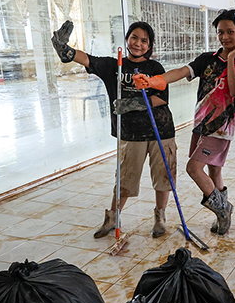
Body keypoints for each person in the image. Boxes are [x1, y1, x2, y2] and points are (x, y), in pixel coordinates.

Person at [132, 9, 235, 235]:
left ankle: (223, 210)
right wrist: (154, 81)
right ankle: (223, 213)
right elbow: (182, 71)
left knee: (193, 168)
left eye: (230, 32)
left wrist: (230, 60)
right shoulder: (207, 59)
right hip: (201, 125)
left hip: (220, 128)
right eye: (220, 32)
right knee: (214, 171)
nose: (225, 37)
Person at [51, 20, 176, 239]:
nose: (138, 43)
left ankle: (160, 217)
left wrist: (134, 104)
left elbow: (162, 98)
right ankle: (112, 218)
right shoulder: (113, 65)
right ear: (127, 39)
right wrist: (66, 50)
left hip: (160, 130)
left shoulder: (155, 68)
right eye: (134, 37)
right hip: (130, 132)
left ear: (149, 46)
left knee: (163, 176)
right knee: (125, 178)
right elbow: (87, 59)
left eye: (144, 41)